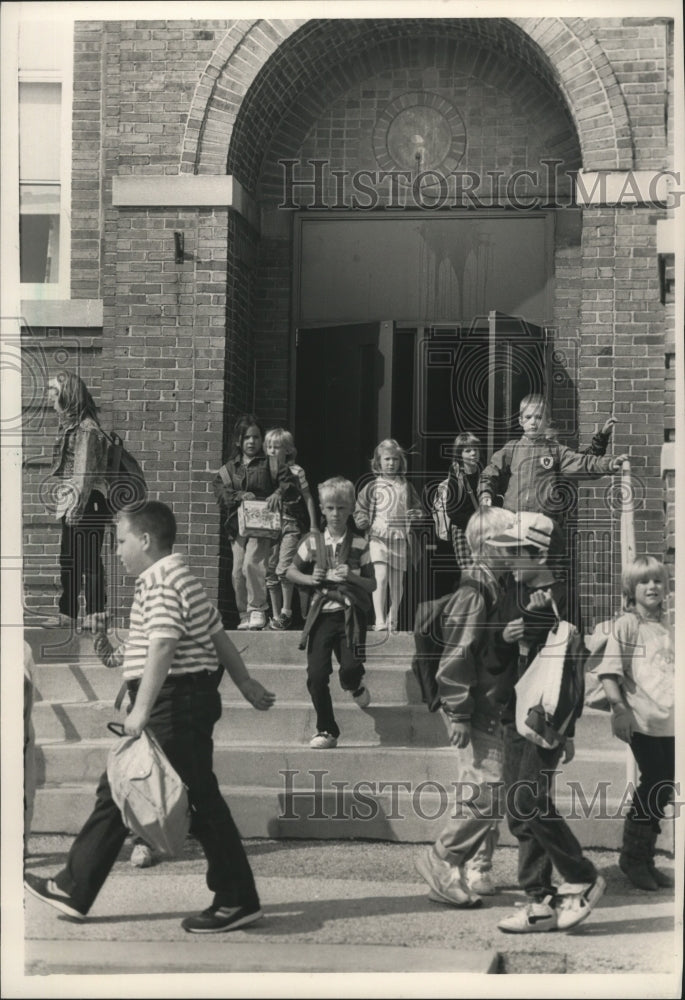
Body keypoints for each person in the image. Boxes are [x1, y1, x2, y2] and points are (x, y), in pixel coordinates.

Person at [24, 500, 276, 933]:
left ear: (145, 540)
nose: (117, 551)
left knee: (186, 797)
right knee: (123, 788)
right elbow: (218, 636)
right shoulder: (182, 577)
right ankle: (74, 886)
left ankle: (237, 898)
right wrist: (245, 682)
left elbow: (163, 644)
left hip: (171, 704)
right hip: (179, 700)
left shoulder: (159, 580)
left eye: (121, 542)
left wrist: (141, 711)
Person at [489, 511, 606, 934]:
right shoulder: (510, 591)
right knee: (519, 814)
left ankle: (582, 875)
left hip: (545, 719)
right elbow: (493, 652)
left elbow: (572, 669)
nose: (506, 560)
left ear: (536, 554)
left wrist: (569, 731)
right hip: (512, 714)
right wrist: (506, 636)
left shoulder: (563, 599)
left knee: (528, 800)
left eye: (512, 552)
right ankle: (538, 902)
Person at [415, 505, 516, 907]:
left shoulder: (495, 585)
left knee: (479, 792)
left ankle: (458, 871)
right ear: (487, 545)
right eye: (508, 538)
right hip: (475, 709)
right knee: (489, 793)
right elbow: (457, 657)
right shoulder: (474, 593)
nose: (516, 546)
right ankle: (441, 858)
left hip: (487, 706)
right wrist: (457, 711)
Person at [596, 556, 674, 891]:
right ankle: (633, 856)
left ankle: (645, 858)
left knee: (665, 784)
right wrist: (619, 709)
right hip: (641, 718)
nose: (652, 587)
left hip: (669, 719)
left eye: (657, 580)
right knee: (656, 779)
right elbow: (610, 671)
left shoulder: (669, 626)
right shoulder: (627, 625)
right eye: (644, 582)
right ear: (632, 589)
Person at [478, 395, 628, 559]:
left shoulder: (556, 451)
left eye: (539, 417)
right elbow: (490, 472)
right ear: (521, 421)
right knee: (515, 571)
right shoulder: (512, 449)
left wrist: (608, 464)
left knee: (543, 570)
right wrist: (485, 493)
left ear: (547, 422)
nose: (533, 422)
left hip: (543, 524)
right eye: (528, 417)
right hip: (514, 523)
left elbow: (583, 462)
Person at [286, 477, 376, 749]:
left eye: (341, 508)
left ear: (350, 510)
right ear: (322, 510)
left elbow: (372, 584)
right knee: (316, 674)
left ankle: (355, 685)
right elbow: (289, 571)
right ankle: (326, 729)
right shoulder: (312, 543)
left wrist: (353, 577)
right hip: (322, 614)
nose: (336, 514)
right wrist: (310, 579)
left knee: (349, 668)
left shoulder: (360, 545)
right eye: (330, 508)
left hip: (350, 614)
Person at [213, 414, 296, 631]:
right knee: (237, 570)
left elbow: (288, 483)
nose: (252, 442)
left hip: (262, 523)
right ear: (238, 441)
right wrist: (239, 496)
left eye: (256, 437)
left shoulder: (272, 463)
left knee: (253, 563)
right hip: (237, 526)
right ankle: (244, 614)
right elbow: (221, 493)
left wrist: (278, 493)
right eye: (247, 437)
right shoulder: (229, 469)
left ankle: (258, 609)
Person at [47, 370, 111, 629]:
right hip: (74, 498)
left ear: (67, 394)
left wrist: (76, 508)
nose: (49, 395)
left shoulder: (86, 429)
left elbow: (84, 473)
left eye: (53, 390)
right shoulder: (72, 427)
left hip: (87, 501)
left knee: (88, 559)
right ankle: (69, 614)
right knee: (69, 559)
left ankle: (96, 614)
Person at [354, 439, 422, 632]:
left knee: (397, 583)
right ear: (378, 462)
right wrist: (362, 521)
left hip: (399, 536)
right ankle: (379, 619)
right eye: (387, 459)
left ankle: (394, 617)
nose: (391, 463)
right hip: (378, 535)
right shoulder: (373, 485)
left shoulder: (406, 486)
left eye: (395, 459)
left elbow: (418, 509)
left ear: (400, 462)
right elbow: (360, 507)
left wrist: (416, 515)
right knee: (381, 577)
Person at [263, 428, 318, 631]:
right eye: (268, 447)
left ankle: (286, 612)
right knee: (270, 570)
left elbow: (308, 496)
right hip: (269, 525)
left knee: (283, 567)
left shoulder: (296, 471)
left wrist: (313, 524)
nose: (272, 451)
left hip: (290, 523)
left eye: (276, 447)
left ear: (287, 450)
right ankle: (275, 616)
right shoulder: (264, 470)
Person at [433, 432, 482, 572]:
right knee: (468, 572)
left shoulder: (485, 474)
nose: (473, 453)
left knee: (484, 573)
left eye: (475, 449)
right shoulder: (456, 478)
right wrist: (475, 522)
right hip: (462, 529)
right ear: (460, 454)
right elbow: (452, 512)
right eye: (468, 450)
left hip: (482, 531)